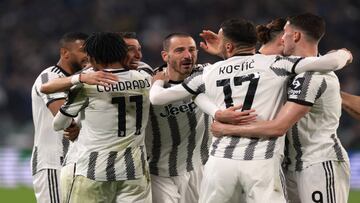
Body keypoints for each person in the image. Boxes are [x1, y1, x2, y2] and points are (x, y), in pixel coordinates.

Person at [149, 18, 351, 203]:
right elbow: (330, 63)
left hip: (220, 163)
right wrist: (344, 53)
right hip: (261, 161)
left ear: (227, 46)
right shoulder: (277, 64)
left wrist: (158, 82)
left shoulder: (210, 71)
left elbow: (157, 98)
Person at [210, 13, 351, 203]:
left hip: (318, 162)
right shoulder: (287, 69)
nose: (281, 39)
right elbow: (249, 66)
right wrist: (225, 53)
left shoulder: (313, 76)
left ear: (296, 36)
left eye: (285, 33)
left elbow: (278, 127)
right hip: (290, 166)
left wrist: (228, 129)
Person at [40, 31, 153, 202]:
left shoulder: (87, 86)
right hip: (134, 171)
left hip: (95, 170)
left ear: (93, 58)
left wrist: (80, 80)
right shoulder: (145, 79)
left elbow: (59, 124)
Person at [145, 33, 211, 203]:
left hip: (198, 168)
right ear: (165, 56)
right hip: (159, 173)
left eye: (192, 50)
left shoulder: (206, 75)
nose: (188, 55)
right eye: (180, 50)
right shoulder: (148, 83)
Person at [30, 31, 89, 203]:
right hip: (52, 161)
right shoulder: (50, 77)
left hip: (76, 162)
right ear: (65, 53)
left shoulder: (80, 80)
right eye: (83, 50)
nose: (88, 56)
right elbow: (64, 120)